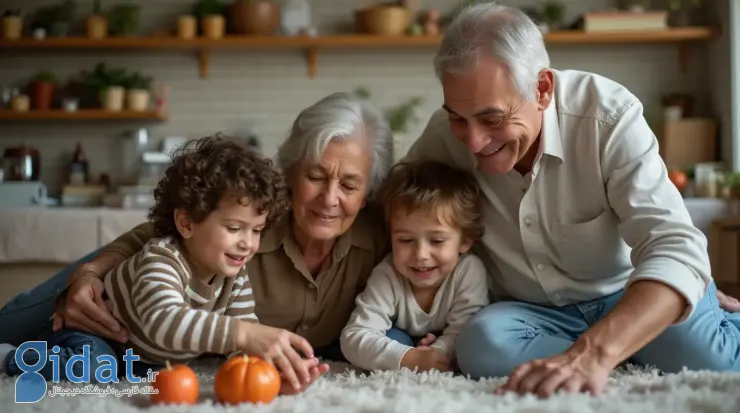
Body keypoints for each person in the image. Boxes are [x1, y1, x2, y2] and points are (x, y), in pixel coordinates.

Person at [403, 1, 740, 398]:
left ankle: (629, 343)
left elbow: (675, 247)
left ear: (542, 89)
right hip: (533, 315)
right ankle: (631, 348)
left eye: (492, 118)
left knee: (709, 357)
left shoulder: (609, 117)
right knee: (481, 346)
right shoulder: (445, 135)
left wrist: (600, 348)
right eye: (459, 118)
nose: (474, 141)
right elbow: (391, 210)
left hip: (625, 291)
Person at [0, 92, 392, 392]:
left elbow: (244, 330)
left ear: (368, 191)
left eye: (350, 184)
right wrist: (88, 273)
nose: (329, 198)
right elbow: (154, 238)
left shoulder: (378, 237)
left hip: (151, 356)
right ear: (290, 171)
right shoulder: (252, 213)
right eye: (316, 176)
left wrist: (267, 372)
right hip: (120, 311)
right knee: (19, 328)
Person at [1, 136, 319, 390]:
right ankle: (12, 358)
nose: (247, 243)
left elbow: (244, 336)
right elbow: (163, 320)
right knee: (95, 368)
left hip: (146, 360)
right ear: (187, 223)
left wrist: (270, 372)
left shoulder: (235, 277)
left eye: (257, 231)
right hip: (98, 338)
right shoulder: (162, 258)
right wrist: (246, 335)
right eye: (234, 228)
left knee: (152, 376)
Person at [340, 160, 490, 373]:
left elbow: (464, 332)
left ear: (465, 241)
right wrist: (409, 357)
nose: (420, 255)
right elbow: (354, 336)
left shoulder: (468, 272)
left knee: (472, 345)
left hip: (442, 341)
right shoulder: (388, 273)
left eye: (437, 241)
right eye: (406, 240)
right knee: (392, 338)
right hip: (401, 339)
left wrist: (436, 351)